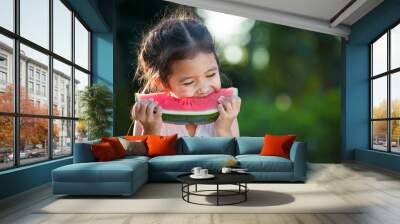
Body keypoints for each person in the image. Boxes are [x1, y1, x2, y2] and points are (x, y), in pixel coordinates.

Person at [130, 11, 240, 137]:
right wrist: (150, 131)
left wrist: (223, 129)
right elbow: (142, 156)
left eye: (211, 75)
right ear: (161, 82)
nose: (204, 89)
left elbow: (231, 156)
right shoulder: (147, 117)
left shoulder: (227, 114)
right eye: (189, 82)